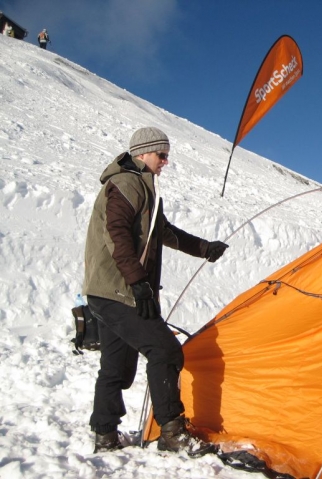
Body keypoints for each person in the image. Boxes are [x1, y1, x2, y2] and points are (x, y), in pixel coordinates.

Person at [83, 126, 228, 456]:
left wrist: (205, 248)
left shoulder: (142, 187)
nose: (165, 161)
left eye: (166, 156)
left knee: (115, 367)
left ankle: (105, 435)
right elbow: (116, 235)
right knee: (165, 351)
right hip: (116, 289)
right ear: (143, 153)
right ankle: (172, 433)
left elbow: (163, 232)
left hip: (112, 290)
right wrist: (138, 283)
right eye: (162, 155)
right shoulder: (126, 184)